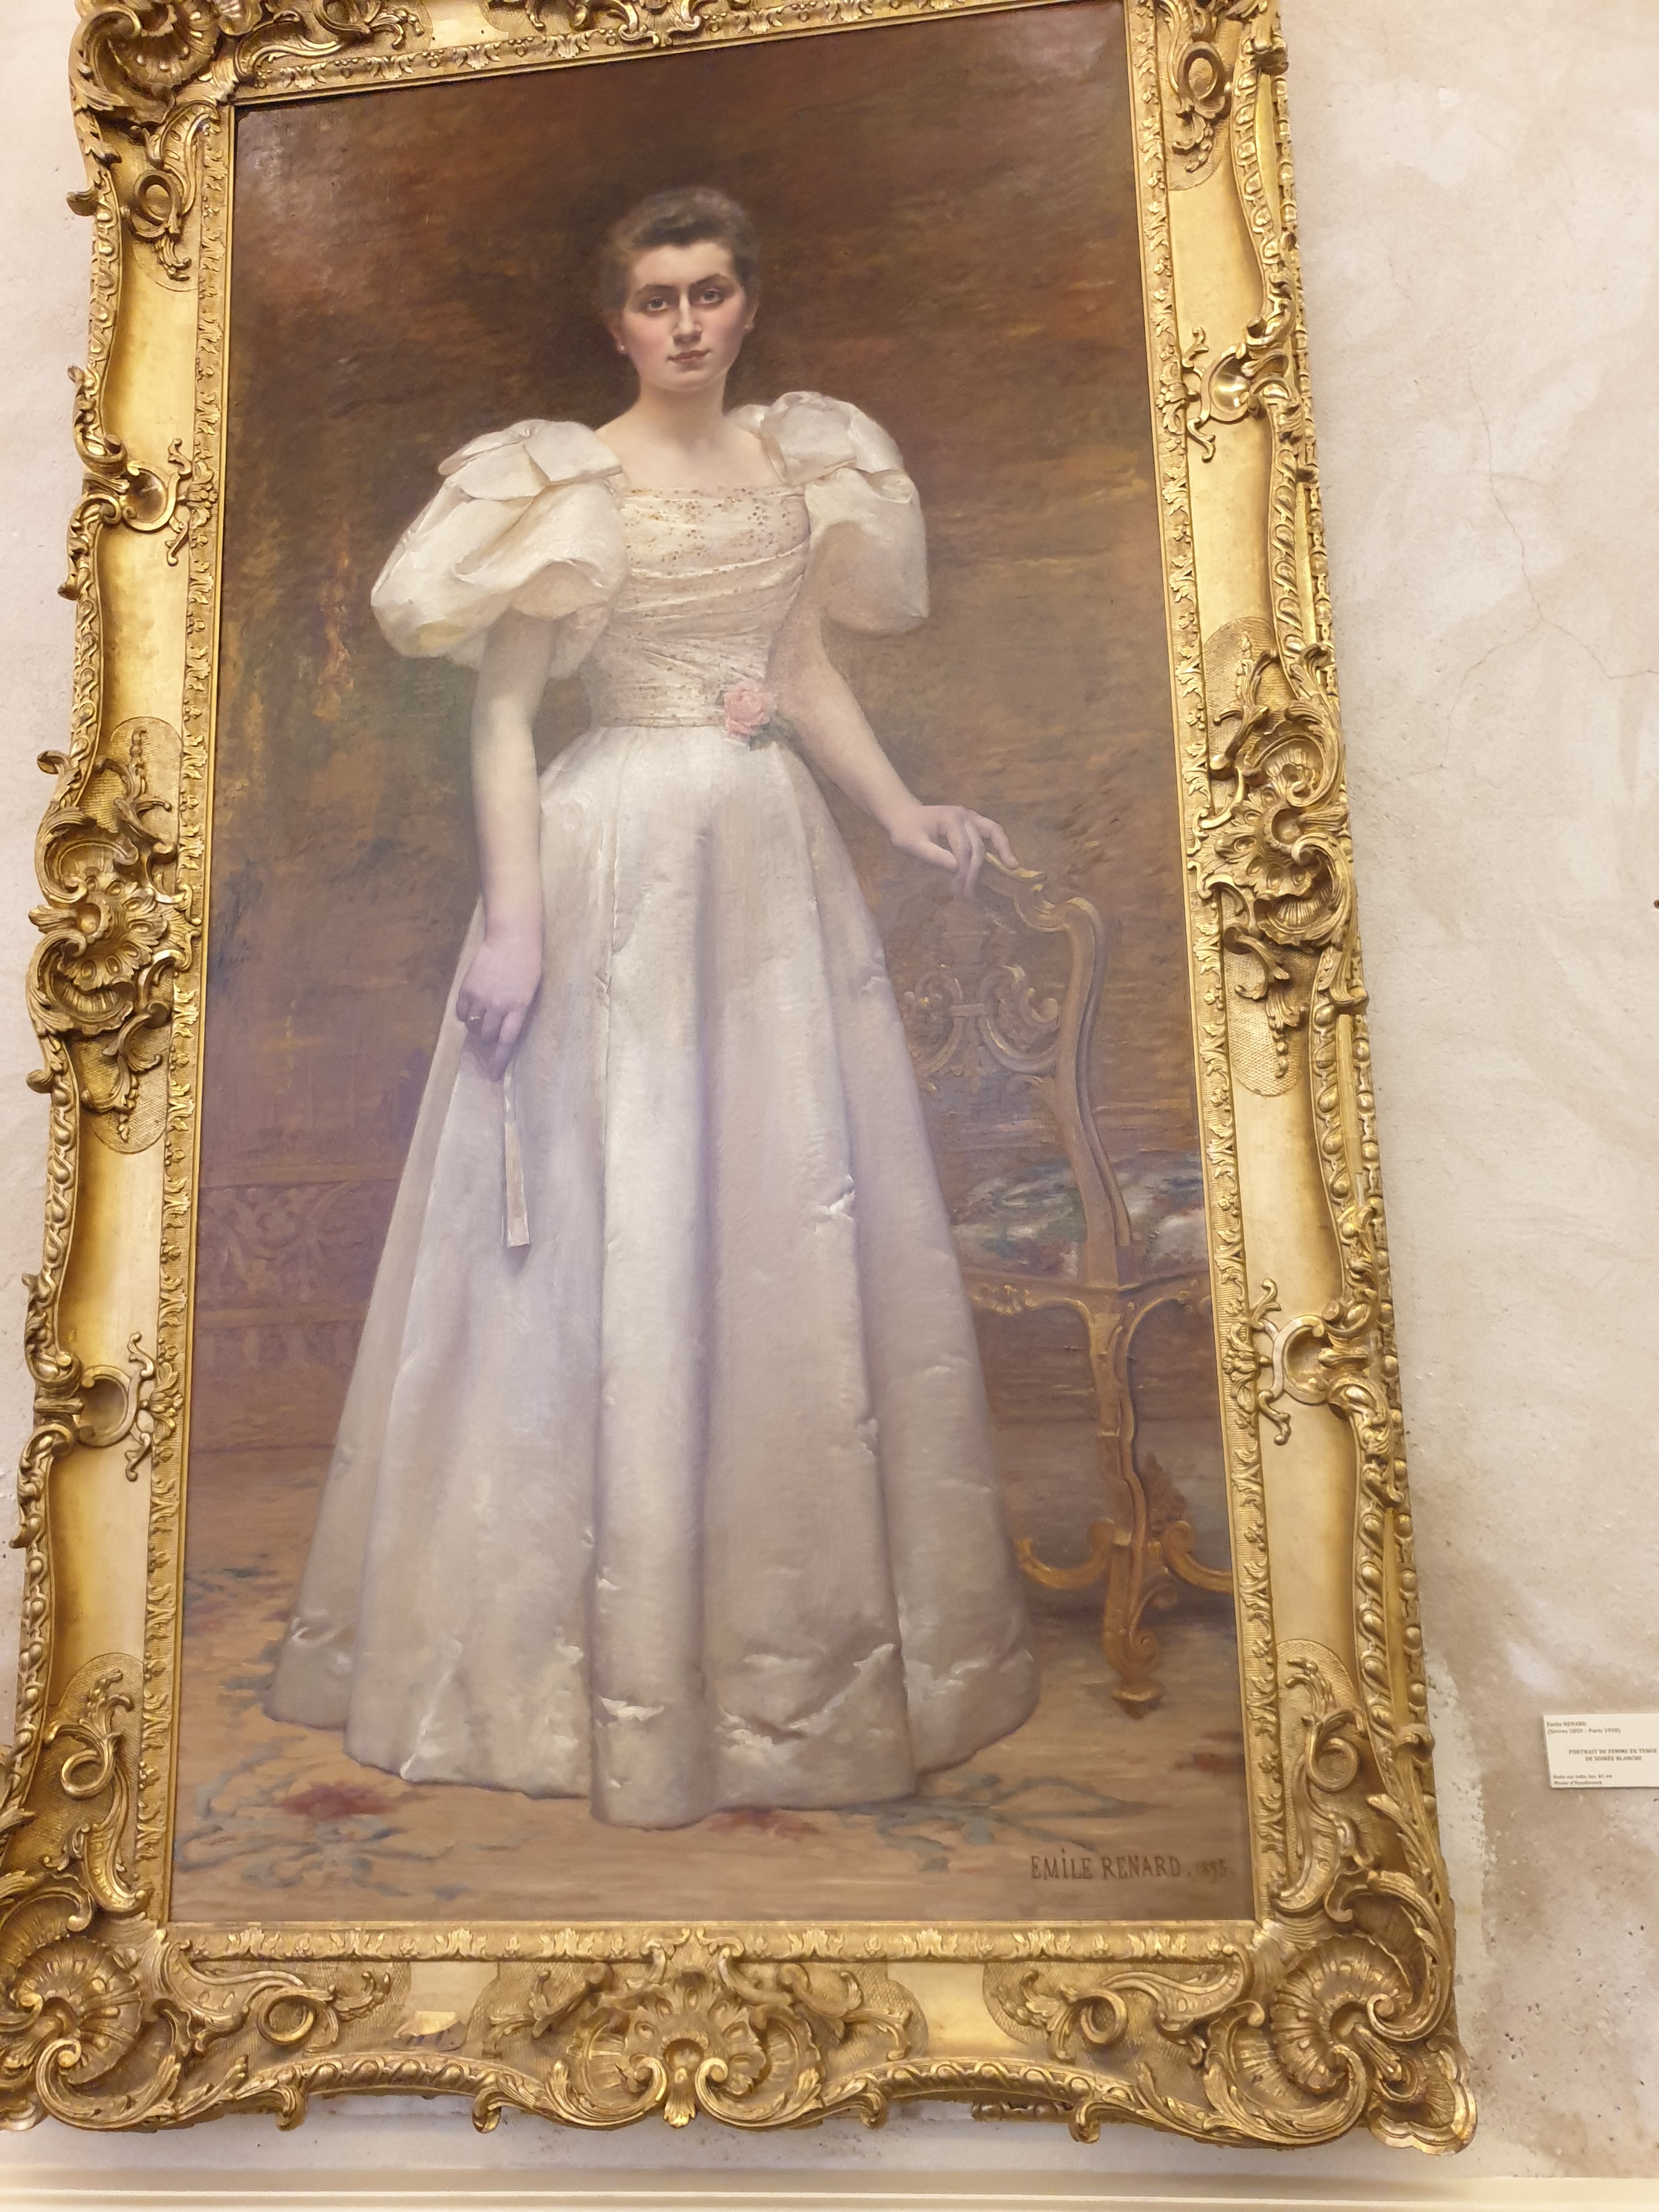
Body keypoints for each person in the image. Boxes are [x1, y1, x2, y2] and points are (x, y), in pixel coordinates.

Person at [267, 187, 1038, 1828]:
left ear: (747, 305)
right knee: (604, 1221)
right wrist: (516, 929)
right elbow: (503, 721)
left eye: (709, 293)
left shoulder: (800, 465)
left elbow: (803, 670)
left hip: (764, 863)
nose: (685, 324)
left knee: (773, 1208)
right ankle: (578, 1659)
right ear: (615, 322)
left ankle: (771, 1637)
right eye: (655, 299)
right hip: (611, 862)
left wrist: (899, 812)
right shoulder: (568, 486)